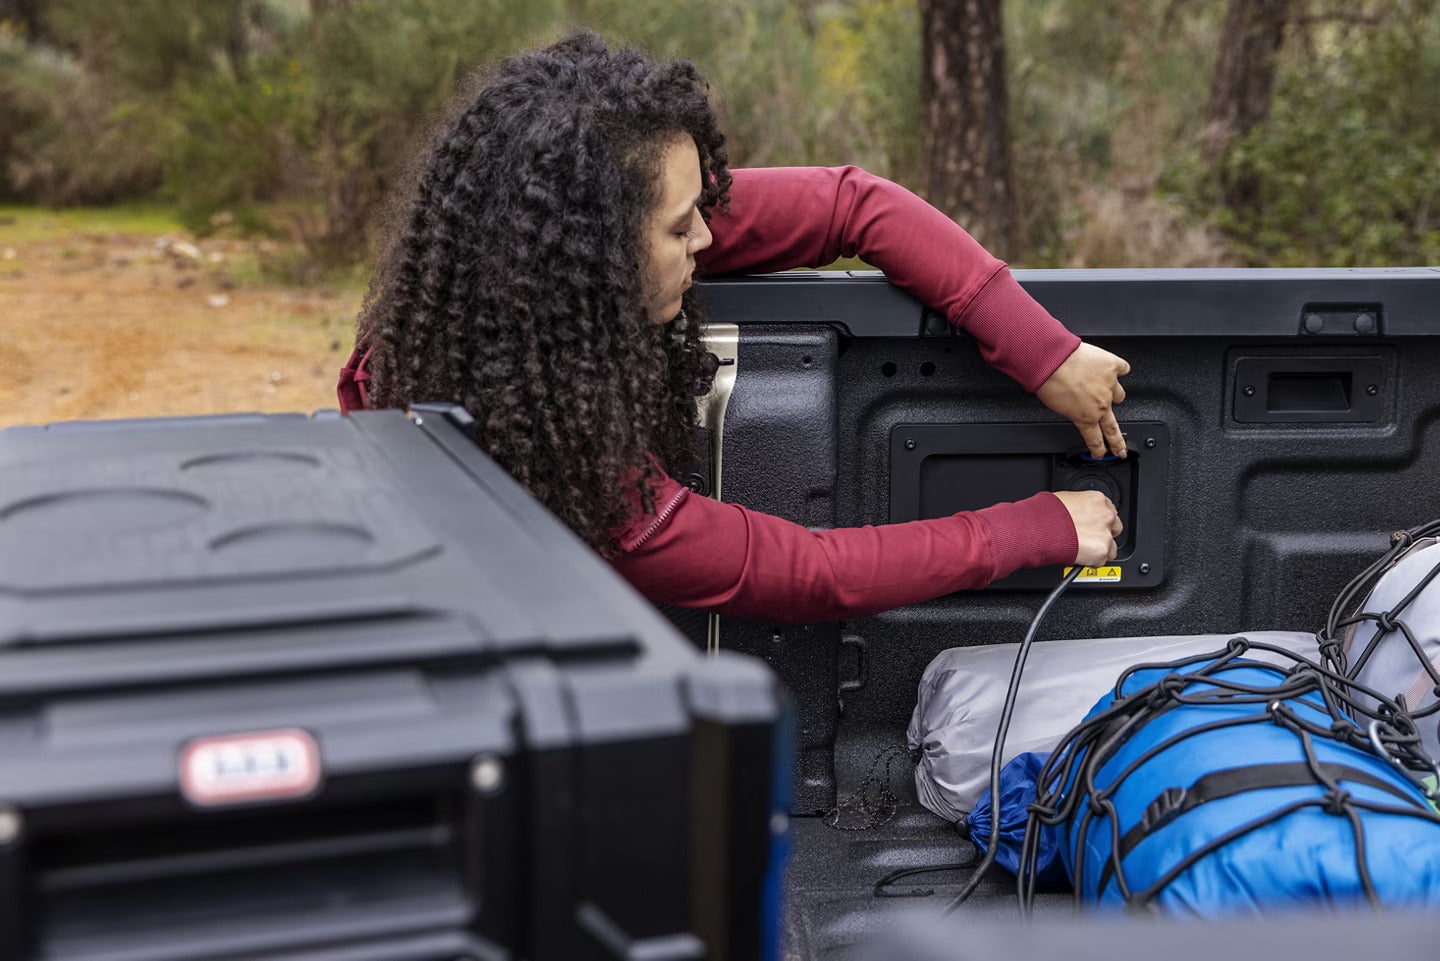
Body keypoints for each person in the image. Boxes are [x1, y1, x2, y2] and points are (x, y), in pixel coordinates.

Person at [338, 30, 1128, 623]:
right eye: (682, 230)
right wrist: (1033, 528)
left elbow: (854, 203)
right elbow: (803, 571)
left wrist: (1043, 352)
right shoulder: (529, 452)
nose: (709, 241)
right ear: (591, 255)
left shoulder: (565, 252)